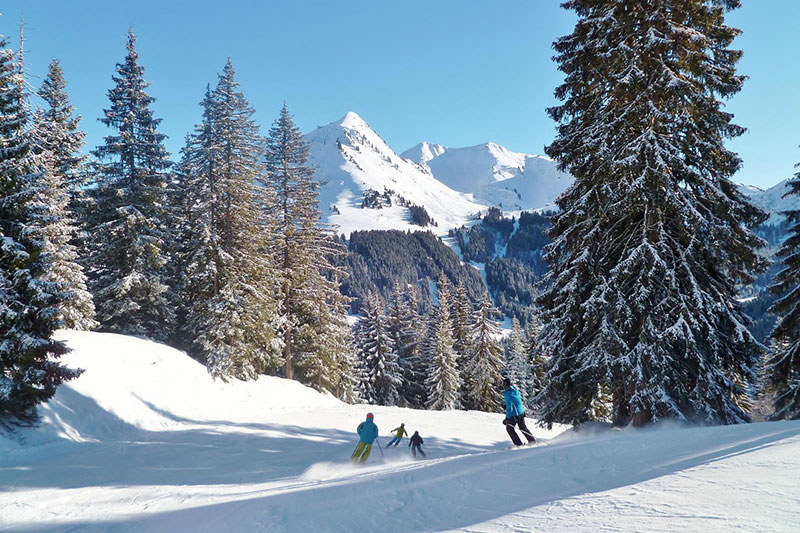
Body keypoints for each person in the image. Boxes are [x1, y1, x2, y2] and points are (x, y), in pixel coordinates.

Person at [502, 377, 536, 446]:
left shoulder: (507, 393)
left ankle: (518, 445)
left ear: (505, 385)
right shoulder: (515, 390)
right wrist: (507, 405)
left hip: (515, 414)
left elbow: (510, 408)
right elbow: (516, 401)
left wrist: (507, 418)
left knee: (509, 428)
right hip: (521, 411)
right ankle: (532, 441)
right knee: (522, 427)